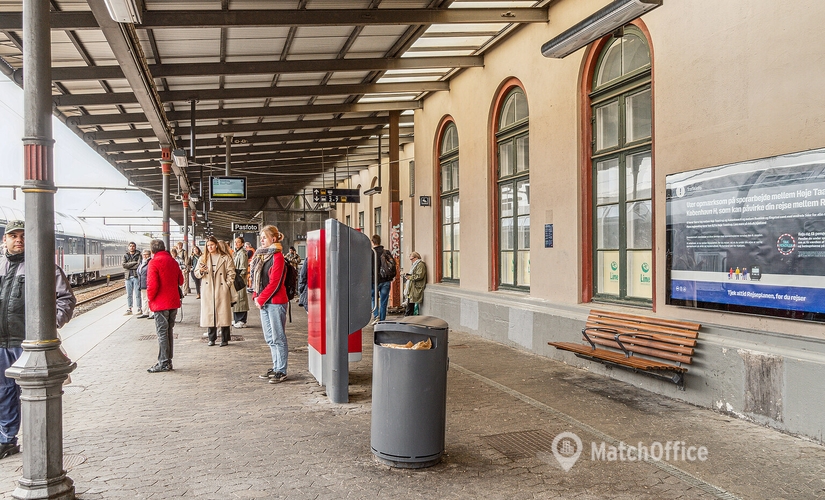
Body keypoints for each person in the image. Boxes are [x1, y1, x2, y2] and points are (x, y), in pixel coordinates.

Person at [0, 221, 76, 457]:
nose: (18, 240)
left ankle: (39, 440)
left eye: (23, 235)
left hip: (28, 343)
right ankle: (7, 439)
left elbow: (65, 300)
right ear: (5, 240)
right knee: (3, 393)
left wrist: (49, 326)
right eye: (13, 235)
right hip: (1, 343)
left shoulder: (44, 266)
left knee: (36, 394)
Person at [252, 225, 289, 383]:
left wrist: (260, 299)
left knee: (278, 337)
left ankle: (281, 370)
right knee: (270, 338)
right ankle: (276, 367)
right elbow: (257, 279)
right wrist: (255, 295)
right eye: (261, 237)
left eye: (264, 237)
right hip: (265, 303)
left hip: (275, 303)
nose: (262, 240)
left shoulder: (278, 257)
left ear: (273, 239)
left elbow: (275, 283)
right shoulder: (261, 256)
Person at [146, 239, 183, 373]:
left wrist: (150, 299)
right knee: (169, 332)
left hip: (160, 304)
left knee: (162, 333)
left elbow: (152, 285)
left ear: (152, 250)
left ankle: (163, 362)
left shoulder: (153, 262)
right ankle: (168, 360)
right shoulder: (173, 261)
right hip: (173, 302)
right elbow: (181, 280)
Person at [194, 236, 235, 347]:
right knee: (210, 313)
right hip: (208, 288)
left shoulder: (225, 257)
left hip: (221, 287)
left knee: (223, 313)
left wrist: (227, 284)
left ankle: (225, 339)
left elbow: (231, 272)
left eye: (211, 245)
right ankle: (211, 338)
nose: (210, 247)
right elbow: (196, 273)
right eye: (208, 245)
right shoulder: (203, 258)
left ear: (216, 244)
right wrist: (201, 271)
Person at [370, 234, 392, 324]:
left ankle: (376, 316)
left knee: (373, 299)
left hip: (373, 281)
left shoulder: (370, 252)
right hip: (385, 280)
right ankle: (382, 320)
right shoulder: (386, 252)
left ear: (372, 242)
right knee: (384, 300)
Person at [232, 237, 250, 328]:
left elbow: (243, 268)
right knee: (236, 298)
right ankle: (236, 319)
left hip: (240, 279)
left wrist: (239, 276)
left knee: (241, 299)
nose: (236, 243)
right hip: (236, 278)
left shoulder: (243, 253)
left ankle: (242, 320)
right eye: (235, 242)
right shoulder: (236, 253)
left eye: (238, 242)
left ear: (242, 244)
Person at [404, 252, 427, 316]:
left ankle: (407, 318)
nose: (411, 261)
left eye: (412, 259)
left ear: (416, 258)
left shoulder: (420, 264)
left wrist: (410, 277)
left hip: (416, 286)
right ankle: (407, 317)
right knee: (410, 303)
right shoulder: (415, 265)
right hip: (412, 286)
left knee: (411, 304)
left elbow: (419, 275)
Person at [122, 241, 142, 315]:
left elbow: (138, 265)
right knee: (129, 294)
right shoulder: (125, 255)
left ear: (135, 247)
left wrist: (129, 265)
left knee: (137, 293)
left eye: (133, 246)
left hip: (136, 276)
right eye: (130, 246)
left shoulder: (139, 255)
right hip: (128, 277)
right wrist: (134, 263)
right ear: (128, 247)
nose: (132, 247)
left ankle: (139, 308)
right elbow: (124, 265)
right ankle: (129, 308)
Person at [136, 249, 153, 319]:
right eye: (144, 254)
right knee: (144, 298)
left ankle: (152, 313)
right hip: (142, 283)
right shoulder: (141, 262)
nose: (145, 256)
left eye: (146, 254)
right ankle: (145, 312)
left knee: (149, 298)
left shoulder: (150, 262)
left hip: (148, 283)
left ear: (149, 255)